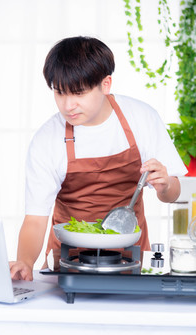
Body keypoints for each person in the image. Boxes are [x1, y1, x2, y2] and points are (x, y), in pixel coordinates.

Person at [10, 36, 187, 280]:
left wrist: (165, 185)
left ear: (105, 84)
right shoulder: (47, 139)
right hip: (68, 263)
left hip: (131, 259)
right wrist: (25, 262)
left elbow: (173, 195)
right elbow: (35, 218)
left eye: (79, 93)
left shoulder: (142, 118)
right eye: (59, 93)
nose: (68, 105)